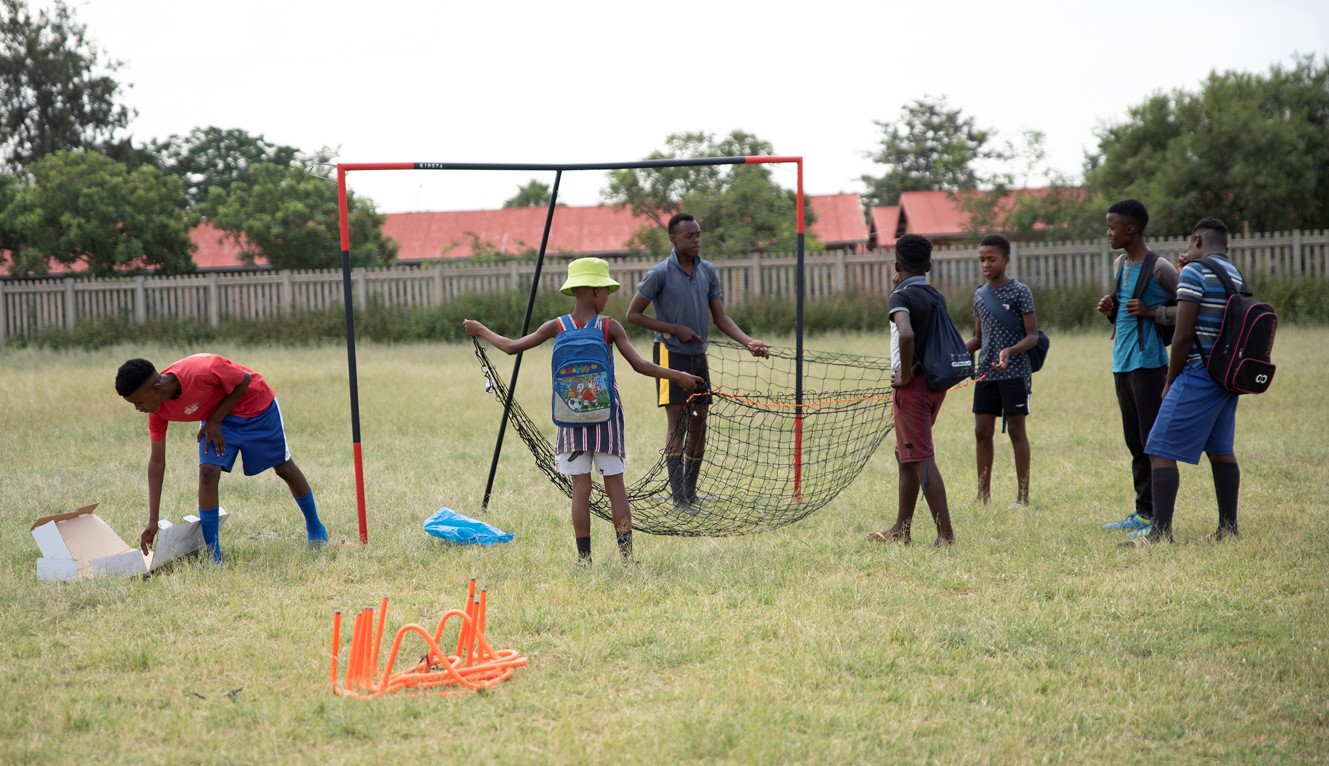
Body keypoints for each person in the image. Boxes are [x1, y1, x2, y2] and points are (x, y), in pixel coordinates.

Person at [464, 257, 703, 566]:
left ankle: (583, 559)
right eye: (605, 291)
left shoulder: (556, 326)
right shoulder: (609, 326)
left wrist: (480, 329)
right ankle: (628, 560)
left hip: (570, 417)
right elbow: (640, 365)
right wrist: (678, 376)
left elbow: (511, 347)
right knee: (615, 487)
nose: (606, 297)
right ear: (593, 291)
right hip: (606, 418)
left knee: (581, 489)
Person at [115, 354, 327, 563]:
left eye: (138, 402)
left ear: (157, 389)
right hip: (218, 417)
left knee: (284, 469)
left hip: (257, 406)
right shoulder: (158, 412)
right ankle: (213, 553)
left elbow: (243, 379)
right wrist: (153, 520)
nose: (137, 408)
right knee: (208, 471)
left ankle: (315, 528)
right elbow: (157, 462)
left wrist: (215, 420)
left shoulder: (202, 368)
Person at [626, 212, 769, 513]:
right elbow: (633, 315)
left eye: (698, 235)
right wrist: (673, 328)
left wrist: (748, 342)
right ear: (673, 239)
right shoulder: (660, 273)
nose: (696, 240)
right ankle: (678, 500)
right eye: (689, 236)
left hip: (697, 356)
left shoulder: (707, 271)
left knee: (699, 422)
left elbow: (720, 317)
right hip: (669, 355)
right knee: (677, 425)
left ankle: (691, 493)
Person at [1137, 218, 1244, 544]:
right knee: (1221, 450)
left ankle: (1160, 532)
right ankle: (1228, 529)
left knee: (1158, 448)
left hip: (1198, 372)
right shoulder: (1234, 275)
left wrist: (1171, 379)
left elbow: (1182, 334)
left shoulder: (1195, 272)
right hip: (1227, 375)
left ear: (1197, 239)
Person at [1095, 199, 1178, 538]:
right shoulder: (1120, 264)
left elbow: (1190, 311)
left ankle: (1157, 517)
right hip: (1122, 362)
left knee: (1151, 441)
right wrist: (1111, 310)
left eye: (1112, 227)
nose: (1108, 232)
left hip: (1149, 364)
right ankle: (1143, 512)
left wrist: (1152, 313)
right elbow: (1124, 312)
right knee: (1134, 440)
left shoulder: (1161, 268)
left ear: (1131, 229)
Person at [868, 234, 956, 546]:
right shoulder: (936, 295)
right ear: (929, 265)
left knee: (921, 458)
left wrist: (904, 374)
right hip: (934, 384)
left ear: (896, 265)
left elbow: (906, 334)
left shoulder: (900, 296)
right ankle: (900, 529)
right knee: (906, 456)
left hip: (913, 387)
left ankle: (945, 536)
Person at [964, 234, 1039, 509]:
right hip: (986, 373)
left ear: (1006, 259)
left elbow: (1032, 337)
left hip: (1015, 372)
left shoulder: (1021, 292)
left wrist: (1009, 351)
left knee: (1017, 431)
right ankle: (983, 496)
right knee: (982, 432)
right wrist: (958, 352)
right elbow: (979, 339)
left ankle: (1023, 497)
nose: (986, 264)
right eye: (982, 259)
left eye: (991, 259)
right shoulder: (980, 295)